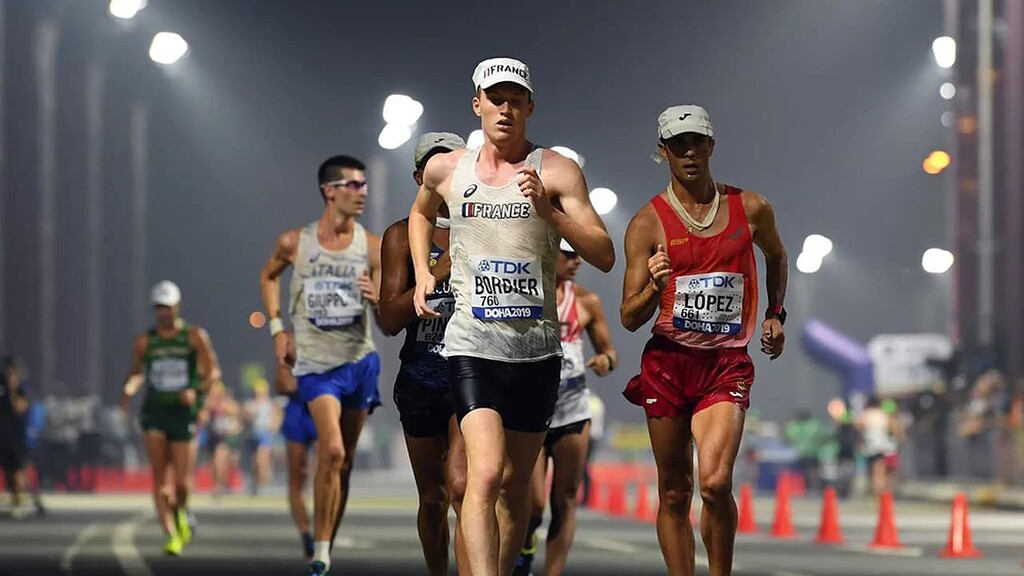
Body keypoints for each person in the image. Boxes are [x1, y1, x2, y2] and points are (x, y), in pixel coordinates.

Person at [409, 57, 614, 576]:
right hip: (473, 347)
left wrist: (550, 211)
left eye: (515, 98)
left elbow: (605, 254)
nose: (505, 107)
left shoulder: (557, 171)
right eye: (495, 97)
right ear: (476, 103)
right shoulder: (448, 168)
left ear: (530, 107)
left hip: (537, 351)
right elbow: (420, 211)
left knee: (515, 484)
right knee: (483, 475)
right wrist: (423, 271)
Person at [620, 105, 788, 576]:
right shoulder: (646, 224)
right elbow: (629, 317)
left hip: (725, 364)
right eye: (677, 145)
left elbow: (777, 255)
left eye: (696, 142)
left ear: (712, 146)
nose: (688, 153)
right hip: (669, 363)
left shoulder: (751, 207)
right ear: (663, 152)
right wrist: (654, 287)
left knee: (714, 483)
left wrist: (776, 313)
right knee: (675, 489)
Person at [259, 154, 383, 576]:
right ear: (329, 191)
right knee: (330, 450)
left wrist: (376, 295)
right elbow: (268, 276)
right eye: (353, 185)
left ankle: (327, 533)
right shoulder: (296, 242)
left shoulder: (372, 246)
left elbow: (387, 314)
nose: (362, 192)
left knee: (343, 461)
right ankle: (321, 551)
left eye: (365, 184)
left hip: (359, 362)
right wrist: (278, 328)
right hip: (316, 365)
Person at [378, 132, 469, 576]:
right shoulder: (400, 235)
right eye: (436, 167)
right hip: (419, 377)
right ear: (420, 177)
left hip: (469, 373)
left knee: (463, 487)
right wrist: (435, 274)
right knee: (433, 499)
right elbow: (389, 319)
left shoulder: (482, 226)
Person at [516, 239, 618, 576]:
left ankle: (553, 572)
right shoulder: (526, 294)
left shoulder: (587, 301)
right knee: (534, 506)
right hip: (531, 411)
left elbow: (609, 351)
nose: (577, 261)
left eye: (579, 255)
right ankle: (526, 543)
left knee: (566, 499)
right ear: (549, 254)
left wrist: (605, 361)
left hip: (573, 410)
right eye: (569, 255)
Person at [120, 281, 222, 556]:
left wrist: (196, 391)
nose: (163, 312)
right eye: (159, 308)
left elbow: (212, 372)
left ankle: (182, 511)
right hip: (155, 412)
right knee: (159, 479)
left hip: (183, 413)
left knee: (182, 483)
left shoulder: (193, 336)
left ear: (178, 306)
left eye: (167, 307)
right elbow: (136, 371)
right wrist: (130, 388)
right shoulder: (145, 341)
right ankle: (170, 534)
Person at [275, 329, 320, 559]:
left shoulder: (330, 332)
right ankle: (305, 533)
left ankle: (324, 533)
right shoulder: (288, 337)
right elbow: (282, 385)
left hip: (322, 405)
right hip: (298, 411)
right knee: (297, 477)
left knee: (327, 469)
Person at [0, 355, 45, 517]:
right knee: (9, 471)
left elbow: (20, 408)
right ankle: (16, 500)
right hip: (4, 437)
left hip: (18, 437)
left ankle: (35, 500)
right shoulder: (2, 390)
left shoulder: (20, 391)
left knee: (22, 470)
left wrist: (12, 391)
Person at [244, 378, 280, 496]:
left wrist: (273, 427)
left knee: (262, 458)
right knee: (255, 461)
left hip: (265, 434)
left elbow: (277, 417)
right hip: (254, 434)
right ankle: (257, 484)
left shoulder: (270, 404)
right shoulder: (250, 404)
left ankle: (263, 484)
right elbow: (246, 417)